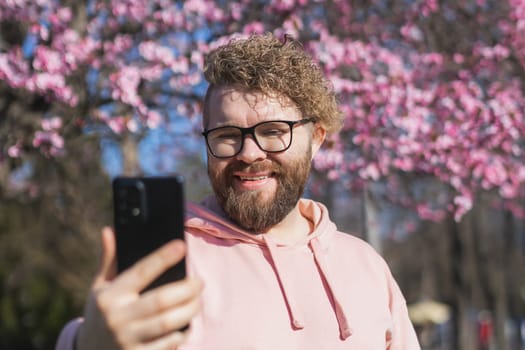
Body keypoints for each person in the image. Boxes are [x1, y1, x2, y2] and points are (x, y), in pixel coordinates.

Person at [55, 33, 420, 350]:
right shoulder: (171, 258)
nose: (249, 153)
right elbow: (109, 334)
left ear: (317, 139)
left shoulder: (367, 268)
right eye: (227, 136)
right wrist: (85, 344)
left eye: (275, 131)